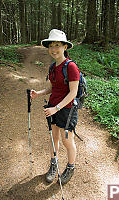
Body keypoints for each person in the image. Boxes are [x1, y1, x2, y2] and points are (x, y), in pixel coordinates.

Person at [30, 29, 80, 185]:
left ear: (65, 47)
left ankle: (70, 167)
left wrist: (56, 108)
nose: (53, 49)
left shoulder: (71, 67)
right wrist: (39, 93)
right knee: (54, 138)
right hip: (53, 106)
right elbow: (53, 88)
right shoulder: (53, 67)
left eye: (57, 45)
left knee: (67, 140)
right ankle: (54, 164)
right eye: (51, 46)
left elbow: (73, 93)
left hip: (66, 109)